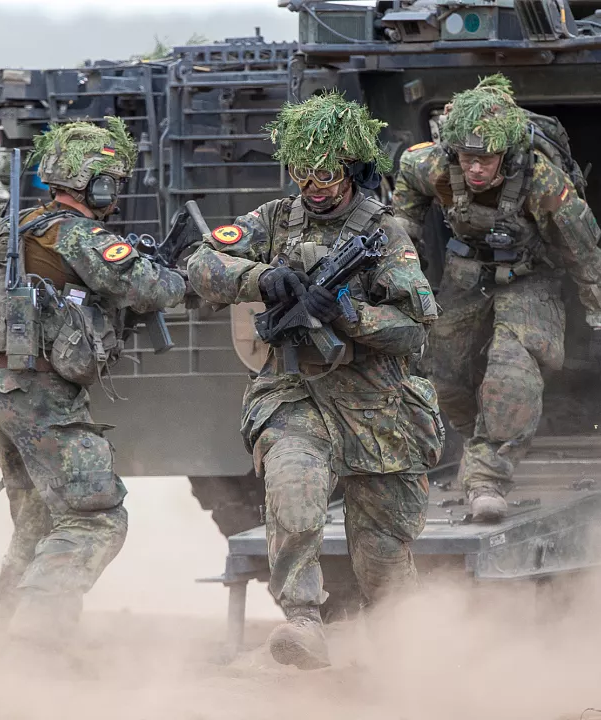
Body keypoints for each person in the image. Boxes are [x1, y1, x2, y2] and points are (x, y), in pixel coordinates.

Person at [187, 92, 443, 670]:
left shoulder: (384, 234)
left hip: (377, 404)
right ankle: (303, 620)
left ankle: (405, 660)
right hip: (294, 392)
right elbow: (201, 265)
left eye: (325, 174)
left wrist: (348, 314)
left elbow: (413, 330)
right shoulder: (274, 219)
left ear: (349, 169)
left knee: (382, 552)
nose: (313, 186)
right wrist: (263, 278)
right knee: (293, 493)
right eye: (302, 172)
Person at [0, 117, 186, 646]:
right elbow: (151, 288)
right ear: (94, 185)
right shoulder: (77, 234)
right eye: (112, 183)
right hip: (38, 393)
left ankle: (15, 643)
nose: (116, 195)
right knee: (94, 517)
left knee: (37, 520)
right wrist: (183, 274)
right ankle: (37, 638)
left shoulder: (17, 224)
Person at [392, 74, 601, 523]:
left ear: (506, 152)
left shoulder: (542, 182)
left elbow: (584, 254)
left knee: (511, 371)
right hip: (467, 274)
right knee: (442, 374)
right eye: (468, 158)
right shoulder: (432, 165)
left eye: (487, 159)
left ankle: (487, 479)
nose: (476, 169)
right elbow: (405, 199)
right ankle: (482, 439)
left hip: (531, 278)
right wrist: (403, 246)